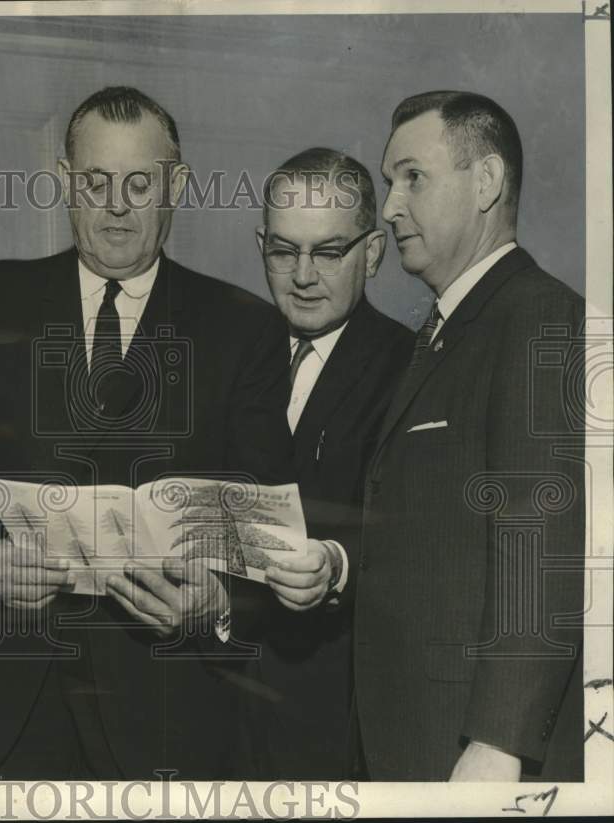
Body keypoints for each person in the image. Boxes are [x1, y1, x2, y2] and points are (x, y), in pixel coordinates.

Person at [0, 86, 291, 779]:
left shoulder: (244, 328)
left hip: (173, 716)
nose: (117, 205)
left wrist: (215, 600)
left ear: (175, 185)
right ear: (65, 181)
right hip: (6, 711)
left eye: (139, 183)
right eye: (95, 182)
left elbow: (264, 513)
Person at [355, 90, 584, 780]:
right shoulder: (447, 330)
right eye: (389, 181)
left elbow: (539, 543)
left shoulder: (540, 316)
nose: (391, 205)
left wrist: (499, 743)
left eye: (412, 177)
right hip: (417, 738)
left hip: (470, 754)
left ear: (485, 183)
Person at [234, 148, 413, 778]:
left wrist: (336, 565)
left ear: (372, 254)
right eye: (284, 251)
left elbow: (420, 535)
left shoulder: (412, 367)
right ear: (261, 245)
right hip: (214, 711)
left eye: (329, 252)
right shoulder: (221, 350)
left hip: (338, 722)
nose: (302, 275)